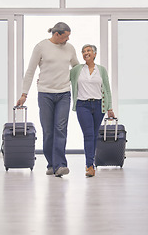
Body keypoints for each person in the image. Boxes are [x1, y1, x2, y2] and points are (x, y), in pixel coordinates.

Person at [16, 22, 79, 177]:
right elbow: (30, 71)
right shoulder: (41, 47)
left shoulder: (70, 48)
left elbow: (76, 68)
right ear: (56, 34)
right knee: (49, 131)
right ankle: (51, 164)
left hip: (64, 93)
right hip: (45, 94)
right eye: (66, 36)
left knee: (60, 129)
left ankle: (60, 165)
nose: (68, 39)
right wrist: (24, 94)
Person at [70, 44, 115, 177]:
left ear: (95, 54)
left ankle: (92, 162)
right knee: (88, 134)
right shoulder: (77, 70)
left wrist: (109, 108)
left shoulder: (101, 70)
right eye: (83, 51)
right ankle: (89, 165)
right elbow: (62, 79)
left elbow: (106, 89)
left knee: (94, 135)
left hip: (99, 105)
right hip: (82, 105)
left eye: (88, 51)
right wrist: (44, 81)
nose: (86, 53)